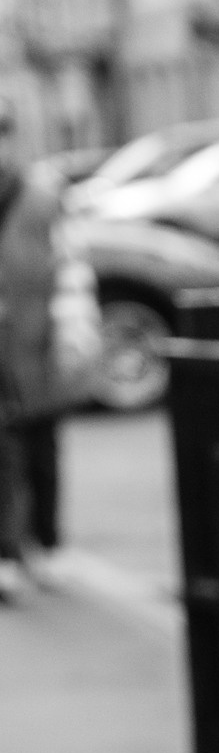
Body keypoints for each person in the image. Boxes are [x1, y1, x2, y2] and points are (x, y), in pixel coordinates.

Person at [0, 104, 98, 596]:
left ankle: (48, 546)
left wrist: (75, 329)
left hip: (39, 341)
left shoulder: (44, 194)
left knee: (43, 447)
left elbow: (73, 263)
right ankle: (7, 555)